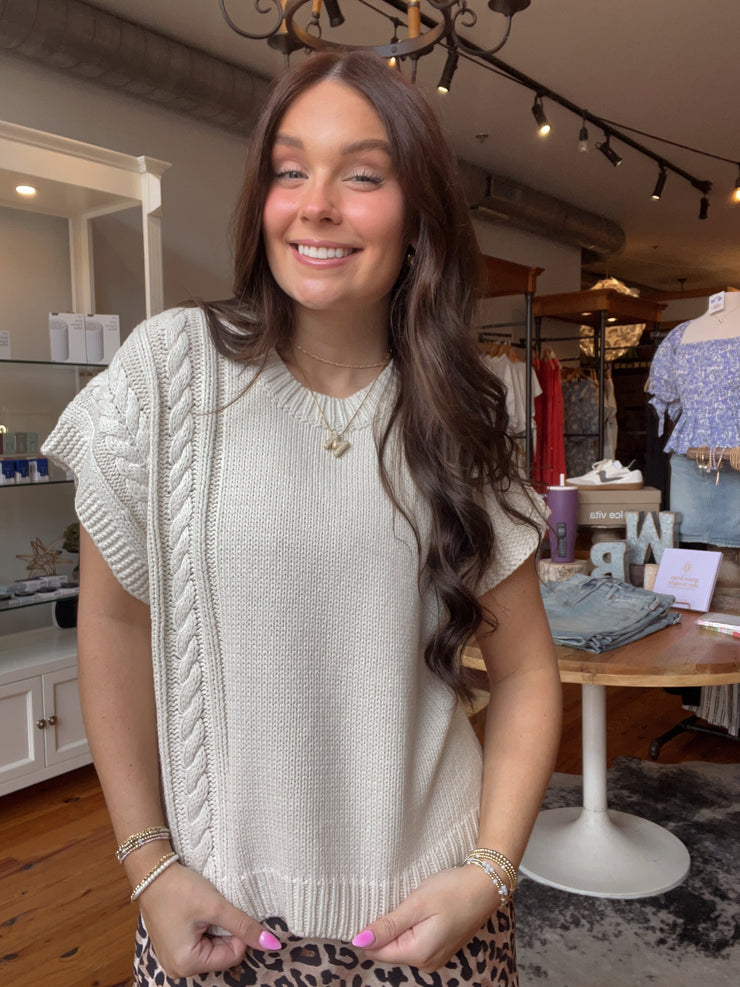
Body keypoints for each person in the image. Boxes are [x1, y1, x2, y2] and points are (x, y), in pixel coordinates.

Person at [43, 50, 561, 987]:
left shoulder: (457, 412)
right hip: (217, 924)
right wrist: (147, 863)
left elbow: (525, 671)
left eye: (362, 175)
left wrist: (489, 873)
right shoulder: (169, 372)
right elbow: (113, 622)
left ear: (418, 216)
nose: (315, 204)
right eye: (290, 170)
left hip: (431, 924)